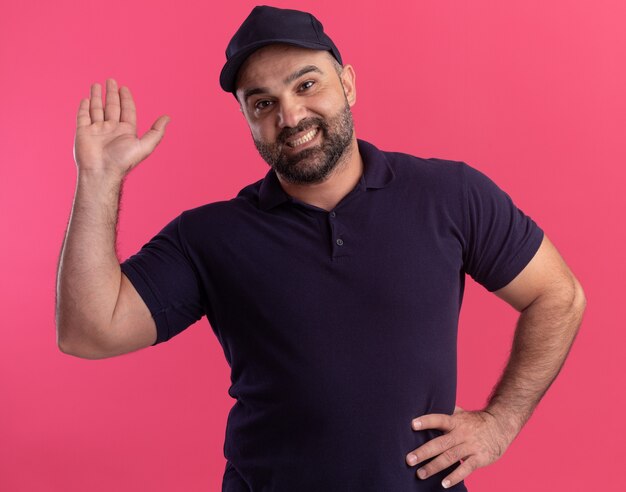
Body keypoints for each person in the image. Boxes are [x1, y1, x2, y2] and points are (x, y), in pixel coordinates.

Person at [56, 5, 586, 492]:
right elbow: (88, 332)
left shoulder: (450, 195)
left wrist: (500, 423)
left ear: (348, 84)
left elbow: (558, 295)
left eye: (306, 84)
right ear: (247, 119)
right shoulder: (209, 236)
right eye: (263, 103)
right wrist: (99, 179)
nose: (290, 116)